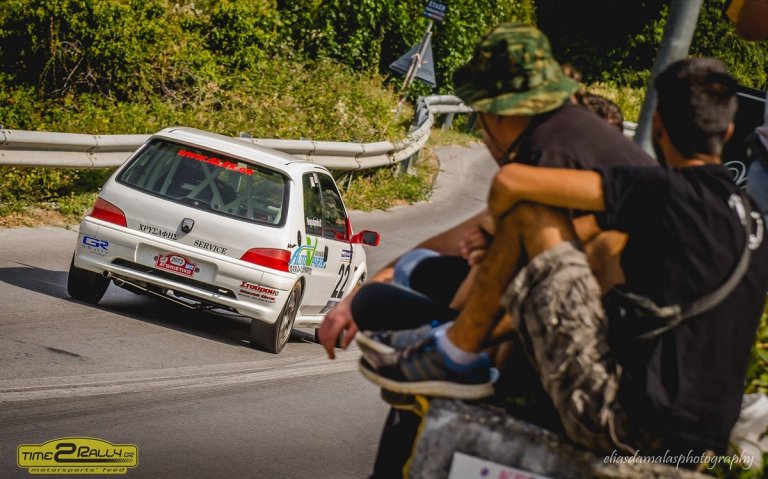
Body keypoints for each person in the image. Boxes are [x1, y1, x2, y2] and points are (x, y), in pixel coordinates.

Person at [360, 57, 768, 458]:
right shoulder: (753, 221)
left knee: (531, 212)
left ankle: (455, 352)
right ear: (728, 129)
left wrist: (497, 232)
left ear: (657, 124)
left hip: (622, 422)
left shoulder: (663, 191)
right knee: (604, 246)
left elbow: (515, 182)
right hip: (702, 443)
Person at [330, 23, 656, 477]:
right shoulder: (571, 137)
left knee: (382, 305)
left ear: (498, 113)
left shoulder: (542, 156)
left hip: (602, 337)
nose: (484, 133)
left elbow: (488, 292)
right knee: (413, 278)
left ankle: (453, 361)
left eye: (482, 116)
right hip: (630, 335)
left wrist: (454, 332)